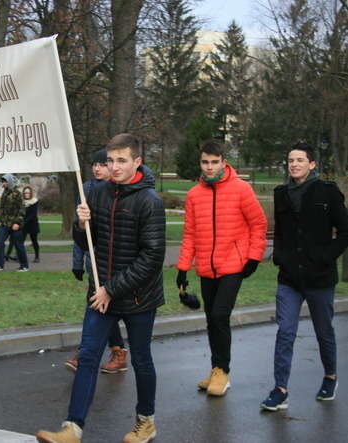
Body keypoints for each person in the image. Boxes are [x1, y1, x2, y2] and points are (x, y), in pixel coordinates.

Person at [36, 133, 165, 443]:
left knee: (141, 359)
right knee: (89, 356)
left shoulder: (150, 201)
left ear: (137, 162)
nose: (114, 166)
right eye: (110, 160)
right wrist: (80, 226)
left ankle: (145, 421)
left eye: (121, 160)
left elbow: (152, 258)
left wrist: (111, 289)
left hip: (138, 297)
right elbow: (87, 245)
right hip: (101, 296)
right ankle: (72, 427)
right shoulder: (96, 193)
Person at [260, 142, 348, 411]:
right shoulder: (282, 193)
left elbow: (345, 232)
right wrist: (279, 257)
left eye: (300, 160)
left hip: (320, 277)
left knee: (324, 331)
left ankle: (330, 377)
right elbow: (284, 232)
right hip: (289, 278)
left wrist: (325, 256)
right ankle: (280, 389)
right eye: (290, 160)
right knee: (285, 332)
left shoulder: (328, 193)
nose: (294, 164)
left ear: (312, 164)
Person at [176, 140, 267, 397]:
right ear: (200, 163)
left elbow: (259, 224)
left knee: (219, 316)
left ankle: (223, 372)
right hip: (206, 267)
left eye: (214, 162)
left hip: (233, 264)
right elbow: (190, 234)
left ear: (224, 163)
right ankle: (216, 369)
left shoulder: (241, 189)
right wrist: (183, 269)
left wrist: (253, 258)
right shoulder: (194, 195)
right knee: (210, 319)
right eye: (205, 162)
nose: (209, 167)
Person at [66, 148, 129, 375]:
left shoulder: (119, 191)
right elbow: (80, 230)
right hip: (92, 262)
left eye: (102, 164)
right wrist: (76, 262)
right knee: (100, 307)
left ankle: (90, 353)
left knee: (102, 308)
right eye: (95, 164)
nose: (97, 168)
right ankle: (115, 352)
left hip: (115, 265)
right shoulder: (86, 189)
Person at [0, 173, 29, 272]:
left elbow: (22, 209)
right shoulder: (4, 193)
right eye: (3, 181)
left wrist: (17, 223)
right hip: (4, 224)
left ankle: (24, 265)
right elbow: (2, 209)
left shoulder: (17, 193)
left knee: (18, 245)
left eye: (5, 181)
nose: (3, 183)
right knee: (0, 243)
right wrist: (0, 221)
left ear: (10, 182)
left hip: (15, 224)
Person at [7, 185, 41, 263]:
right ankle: (18, 256)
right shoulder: (22, 201)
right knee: (20, 241)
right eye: (25, 193)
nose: (27, 194)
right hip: (23, 224)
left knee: (34, 241)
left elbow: (33, 215)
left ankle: (37, 257)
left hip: (32, 224)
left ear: (31, 193)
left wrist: (23, 222)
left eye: (28, 193)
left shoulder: (34, 201)